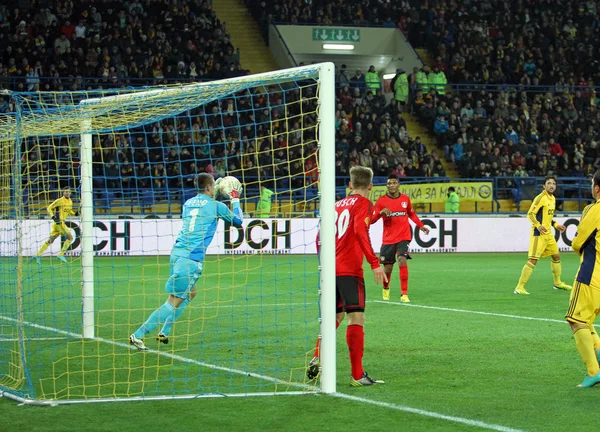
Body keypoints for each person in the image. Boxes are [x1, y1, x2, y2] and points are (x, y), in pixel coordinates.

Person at [129, 173, 243, 350]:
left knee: (191, 293)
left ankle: (164, 331)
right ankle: (138, 335)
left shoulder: (188, 204)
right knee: (173, 300)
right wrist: (234, 199)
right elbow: (238, 221)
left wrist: (217, 190)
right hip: (191, 258)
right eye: (213, 186)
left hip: (177, 254)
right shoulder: (217, 206)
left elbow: (205, 207)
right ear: (207, 187)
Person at [307, 166, 388, 386]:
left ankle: (318, 356)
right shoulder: (363, 204)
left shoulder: (334, 206)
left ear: (350, 185)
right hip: (349, 270)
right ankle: (357, 375)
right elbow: (360, 231)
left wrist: (324, 264)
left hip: (329, 269)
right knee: (356, 317)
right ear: (370, 186)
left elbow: (319, 238)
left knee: (335, 317)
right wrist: (374, 263)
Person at [370, 174, 430, 302]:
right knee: (388, 268)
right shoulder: (381, 201)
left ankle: (404, 294)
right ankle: (386, 288)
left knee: (402, 260)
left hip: (404, 236)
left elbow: (411, 214)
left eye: (394, 183)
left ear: (398, 185)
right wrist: (380, 213)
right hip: (388, 239)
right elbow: (371, 220)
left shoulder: (405, 199)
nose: (391, 185)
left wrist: (421, 225)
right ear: (386, 185)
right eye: (389, 183)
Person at [565, 170, 600, 387]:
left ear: (596, 188)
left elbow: (577, 242)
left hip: (591, 273)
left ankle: (593, 371)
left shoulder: (595, 209)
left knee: (576, 320)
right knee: (586, 320)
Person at [514, 176, 572, 295]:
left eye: (553, 184)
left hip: (548, 234)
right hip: (538, 234)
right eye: (549, 183)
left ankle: (557, 283)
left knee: (556, 256)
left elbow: (548, 218)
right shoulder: (540, 198)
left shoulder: (553, 199)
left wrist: (556, 225)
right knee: (533, 260)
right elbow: (530, 214)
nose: (551, 185)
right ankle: (519, 287)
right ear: (544, 186)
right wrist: (538, 225)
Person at [33, 186, 77, 263]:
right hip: (59, 223)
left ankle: (37, 255)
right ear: (63, 192)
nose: (67, 193)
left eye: (69, 192)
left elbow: (69, 211)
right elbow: (49, 208)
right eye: (66, 191)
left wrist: (75, 214)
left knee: (50, 241)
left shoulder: (70, 202)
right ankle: (61, 254)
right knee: (70, 238)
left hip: (57, 224)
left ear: (70, 193)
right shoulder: (59, 201)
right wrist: (53, 217)